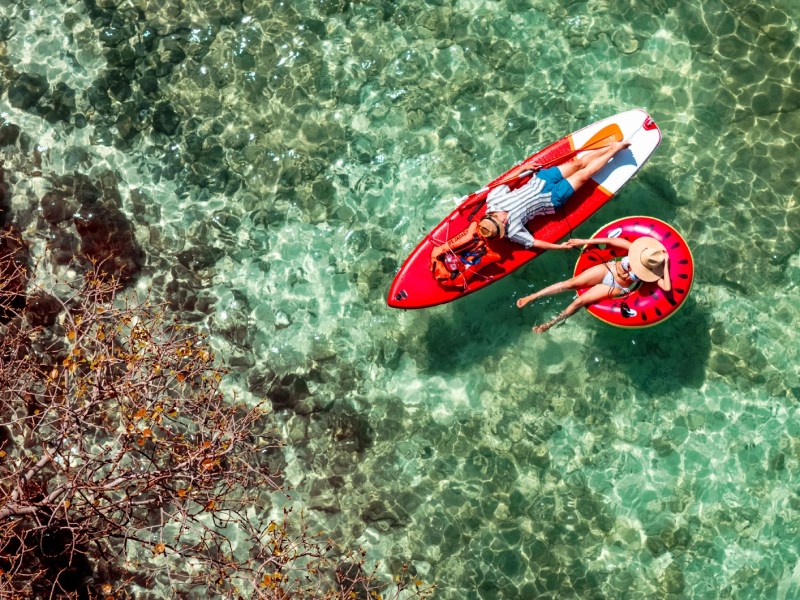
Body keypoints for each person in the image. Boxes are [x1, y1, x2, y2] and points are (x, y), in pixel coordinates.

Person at [477, 140, 631, 248]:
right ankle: (615, 149)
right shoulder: (511, 232)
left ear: (494, 216)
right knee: (584, 175)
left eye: (502, 223)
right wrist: (560, 247)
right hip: (551, 200)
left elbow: (508, 182)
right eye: (502, 228)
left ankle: (611, 147)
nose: (505, 224)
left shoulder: (494, 199)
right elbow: (534, 243)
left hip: (541, 180)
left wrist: (523, 169)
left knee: (576, 164)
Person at [516, 236, 671, 333]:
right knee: (570, 284)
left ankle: (550, 323)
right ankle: (533, 296)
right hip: (608, 269)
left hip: (616, 287)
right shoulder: (634, 249)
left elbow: (667, 287)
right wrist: (583, 241)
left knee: (579, 301)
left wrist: (665, 265)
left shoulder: (653, 272)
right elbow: (608, 241)